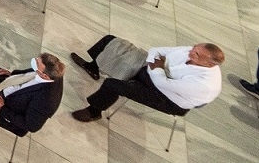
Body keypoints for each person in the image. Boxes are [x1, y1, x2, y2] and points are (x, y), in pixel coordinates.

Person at [69, 41, 223, 122]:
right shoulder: (193, 50)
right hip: (154, 72)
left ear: (208, 64)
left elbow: (164, 85)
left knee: (112, 85)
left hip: (168, 99)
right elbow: (157, 50)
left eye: (196, 54)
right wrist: (156, 66)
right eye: (194, 48)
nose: (190, 51)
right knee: (112, 42)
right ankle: (93, 67)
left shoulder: (205, 84)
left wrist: (157, 68)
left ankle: (94, 112)